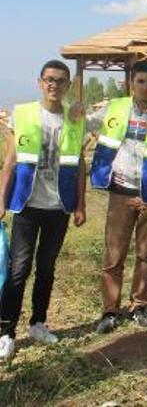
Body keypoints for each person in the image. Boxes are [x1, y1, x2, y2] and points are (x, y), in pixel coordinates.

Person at [83, 60, 147, 334]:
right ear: (131, 83)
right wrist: (74, 113)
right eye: (141, 81)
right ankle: (109, 311)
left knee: (146, 254)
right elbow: (85, 122)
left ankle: (140, 305)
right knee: (114, 254)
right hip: (120, 192)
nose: (146, 86)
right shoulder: (114, 108)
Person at [0, 60, 87, 361]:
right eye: (49, 79)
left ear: (68, 85)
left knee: (46, 269)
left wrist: (80, 204)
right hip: (26, 204)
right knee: (18, 270)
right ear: (40, 82)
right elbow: (10, 161)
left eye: (61, 81)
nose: (54, 85)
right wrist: (1, 200)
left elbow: (79, 165)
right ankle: (6, 331)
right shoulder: (23, 114)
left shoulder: (75, 119)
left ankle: (38, 323)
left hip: (58, 206)